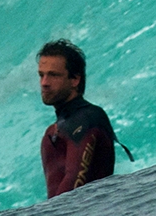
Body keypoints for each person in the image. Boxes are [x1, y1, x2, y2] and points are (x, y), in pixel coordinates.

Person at [36, 38, 116, 197]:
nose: (44, 83)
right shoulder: (56, 129)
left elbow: (73, 190)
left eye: (53, 75)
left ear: (75, 79)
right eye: (41, 75)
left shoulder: (87, 119)